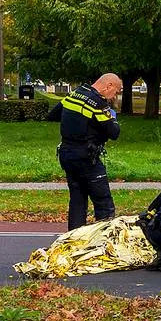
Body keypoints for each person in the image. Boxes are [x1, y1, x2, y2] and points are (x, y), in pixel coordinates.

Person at [48, 73, 123, 229]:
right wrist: (112, 116)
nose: (115, 96)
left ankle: (73, 243)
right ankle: (103, 243)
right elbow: (114, 132)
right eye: (116, 91)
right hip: (87, 158)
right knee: (104, 204)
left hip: (67, 154)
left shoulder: (76, 93)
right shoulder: (98, 104)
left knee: (77, 200)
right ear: (108, 86)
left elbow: (54, 115)